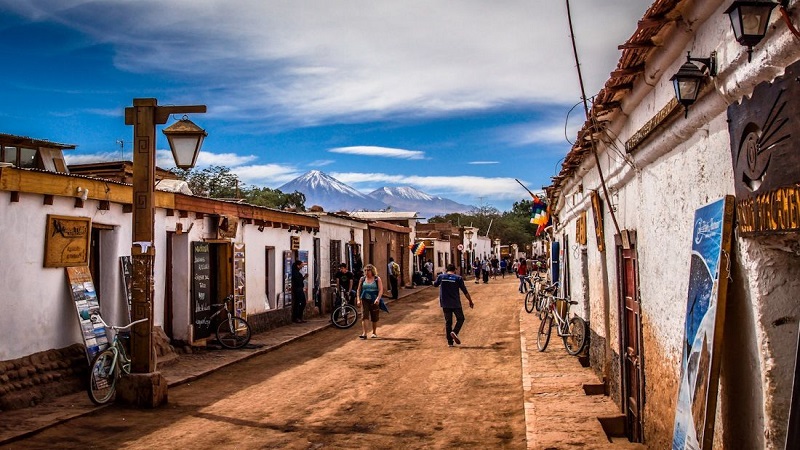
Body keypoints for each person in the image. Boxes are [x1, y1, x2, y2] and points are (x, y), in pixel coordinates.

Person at [434, 263, 474, 347]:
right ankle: (454, 332)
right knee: (461, 318)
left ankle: (450, 342)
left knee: (448, 322)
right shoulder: (458, 278)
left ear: (446, 270)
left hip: (445, 303)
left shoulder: (441, 277)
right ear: (454, 270)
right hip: (455, 303)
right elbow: (465, 291)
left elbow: (435, 284)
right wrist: (470, 301)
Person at [356, 264, 385, 339]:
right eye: (365, 270)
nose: (366, 272)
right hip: (364, 299)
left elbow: (381, 290)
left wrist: (378, 299)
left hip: (374, 299)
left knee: (374, 316)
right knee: (364, 316)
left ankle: (374, 332)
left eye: (368, 270)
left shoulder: (377, 279)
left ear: (372, 271)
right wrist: (358, 299)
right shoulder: (362, 279)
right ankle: (364, 333)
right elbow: (358, 290)